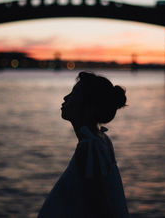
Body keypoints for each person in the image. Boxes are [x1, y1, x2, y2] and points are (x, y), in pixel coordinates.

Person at [38, 71, 130, 218]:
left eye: (73, 94)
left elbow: (100, 209)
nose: (65, 97)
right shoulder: (101, 140)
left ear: (89, 106)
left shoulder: (90, 148)